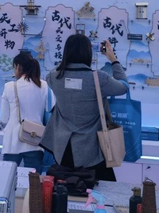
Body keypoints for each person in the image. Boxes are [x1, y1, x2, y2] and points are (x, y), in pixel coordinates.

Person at [40, 34, 128, 181]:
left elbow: (57, 72)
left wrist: (65, 63)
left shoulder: (54, 77)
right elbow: (124, 86)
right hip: (92, 150)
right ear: (88, 53)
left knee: (67, 189)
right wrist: (113, 59)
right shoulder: (99, 78)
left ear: (66, 52)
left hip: (63, 147)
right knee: (99, 189)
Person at [0, 52, 53, 173]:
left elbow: (4, 118)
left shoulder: (9, 87)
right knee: (33, 181)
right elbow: (50, 111)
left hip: (12, 142)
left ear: (18, 67)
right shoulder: (44, 85)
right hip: (35, 140)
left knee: (7, 179)